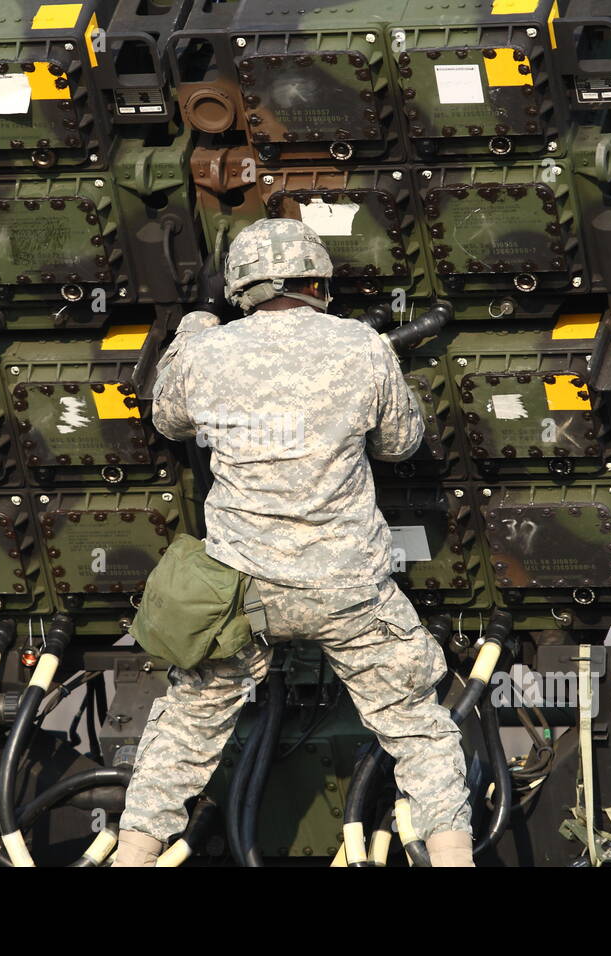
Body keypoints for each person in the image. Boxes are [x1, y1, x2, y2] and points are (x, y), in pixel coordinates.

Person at [114, 218, 473, 866]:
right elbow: (401, 443)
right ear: (317, 280)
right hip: (345, 589)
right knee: (417, 726)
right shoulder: (360, 346)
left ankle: (131, 857)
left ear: (240, 290)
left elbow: (165, 415)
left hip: (239, 593)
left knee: (189, 725)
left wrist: (197, 322)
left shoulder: (208, 352)